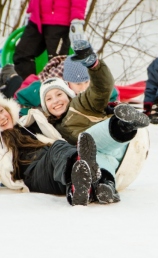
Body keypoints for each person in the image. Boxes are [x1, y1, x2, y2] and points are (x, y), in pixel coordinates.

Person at [0, 89, 111, 206]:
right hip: (32, 175)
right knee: (58, 149)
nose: (2, 117)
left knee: (62, 151)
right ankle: (82, 171)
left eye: (1, 110)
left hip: (55, 168)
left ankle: (95, 187)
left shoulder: (26, 124)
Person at [36, 39, 150, 202]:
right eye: (49, 98)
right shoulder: (49, 128)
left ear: (67, 92)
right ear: (44, 105)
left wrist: (94, 66)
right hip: (106, 162)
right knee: (92, 157)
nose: (55, 101)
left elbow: (102, 87)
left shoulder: (81, 104)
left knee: (87, 141)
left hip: (119, 144)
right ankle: (106, 187)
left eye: (59, 94)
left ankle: (124, 124)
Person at [13, 0, 88, 80]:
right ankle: (30, 88)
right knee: (22, 55)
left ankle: (55, 90)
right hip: (37, 18)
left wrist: (77, 19)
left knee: (56, 64)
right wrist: (32, 8)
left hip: (60, 21)